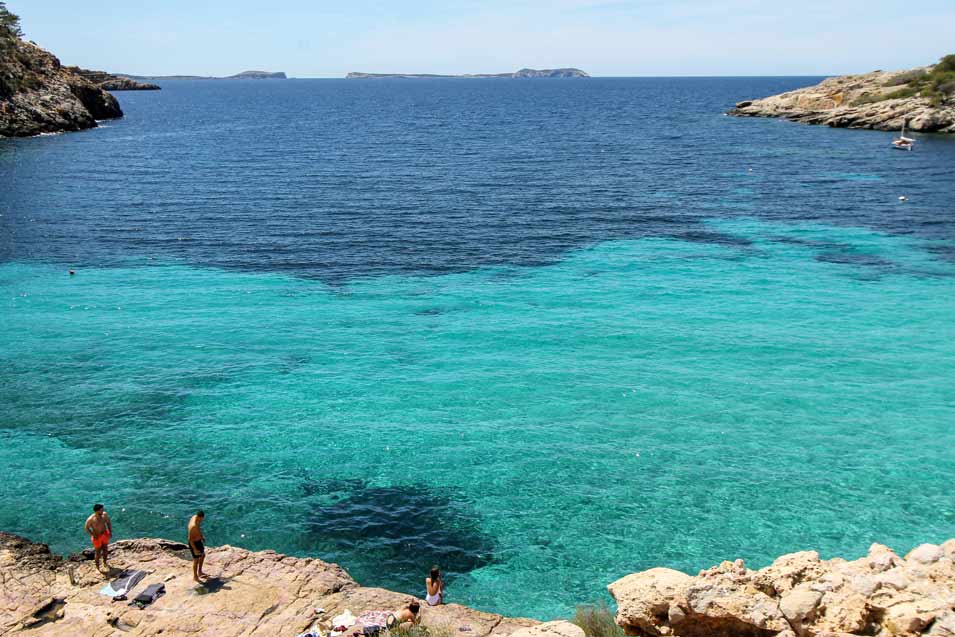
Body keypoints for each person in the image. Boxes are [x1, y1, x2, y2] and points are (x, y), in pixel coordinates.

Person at [84, 503, 112, 573]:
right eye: (101, 510)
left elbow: (108, 523)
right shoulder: (91, 519)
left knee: (105, 550)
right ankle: (97, 567)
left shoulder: (104, 515)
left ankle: (105, 563)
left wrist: (110, 532)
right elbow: (86, 528)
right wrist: (92, 534)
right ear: (97, 511)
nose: (103, 511)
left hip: (105, 535)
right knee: (98, 552)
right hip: (97, 537)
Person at [187, 510, 208, 583]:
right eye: (202, 519)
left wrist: (201, 536)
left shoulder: (194, 517)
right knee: (196, 560)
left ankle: (200, 572)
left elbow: (198, 528)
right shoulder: (193, 526)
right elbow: (190, 539)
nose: (202, 520)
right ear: (199, 517)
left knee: (203, 555)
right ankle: (195, 576)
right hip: (194, 544)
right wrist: (194, 549)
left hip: (198, 541)